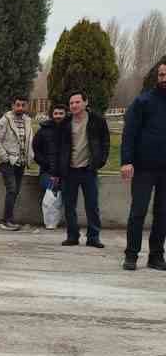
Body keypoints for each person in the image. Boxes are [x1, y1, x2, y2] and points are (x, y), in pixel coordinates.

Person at [120, 57, 166, 271]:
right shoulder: (143, 101)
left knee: (163, 214)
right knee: (138, 212)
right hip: (144, 168)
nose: (164, 78)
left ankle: (156, 256)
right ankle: (131, 255)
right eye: (162, 75)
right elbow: (129, 133)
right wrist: (127, 161)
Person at [54, 90, 109, 249]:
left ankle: (93, 237)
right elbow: (58, 148)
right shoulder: (65, 123)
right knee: (69, 206)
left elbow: (105, 142)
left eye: (77, 102)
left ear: (85, 102)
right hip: (69, 170)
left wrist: (100, 161)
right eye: (71, 103)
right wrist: (58, 170)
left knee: (92, 205)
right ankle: (72, 236)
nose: (74, 105)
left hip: (88, 170)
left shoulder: (97, 120)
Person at [0, 95, 34, 230]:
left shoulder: (28, 121)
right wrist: (6, 158)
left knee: (15, 191)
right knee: (12, 189)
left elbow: (28, 141)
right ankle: (6, 220)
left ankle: (9, 219)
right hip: (7, 162)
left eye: (23, 105)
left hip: (21, 163)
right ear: (13, 106)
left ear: (26, 106)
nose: (20, 108)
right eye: (18, 105)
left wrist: (30, 157)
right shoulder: (5, 120)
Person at [33, 102, 66, 221]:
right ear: (52, 114)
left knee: (67, 196)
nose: (58, 116)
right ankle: (50, 221)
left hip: (66, 173)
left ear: (65, 114)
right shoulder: (43, 131)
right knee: (51, 194)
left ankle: (62, 221)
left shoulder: (70, 129)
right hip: (47, 172)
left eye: (61, 113)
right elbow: (35, 150)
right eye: (56, 113)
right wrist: (46, 164)